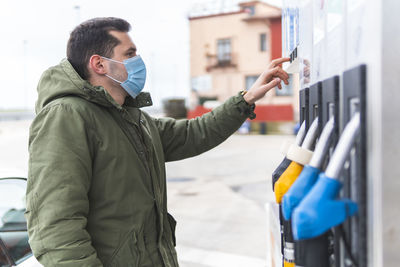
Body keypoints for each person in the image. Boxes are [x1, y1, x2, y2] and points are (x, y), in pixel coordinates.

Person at [25, 17, 289, 267]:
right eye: (129, 54)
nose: (138, 61)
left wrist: (246, 99)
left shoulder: (133, 119)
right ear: (99, 64)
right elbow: (55, 227)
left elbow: (194, 133)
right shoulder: (66, 116)